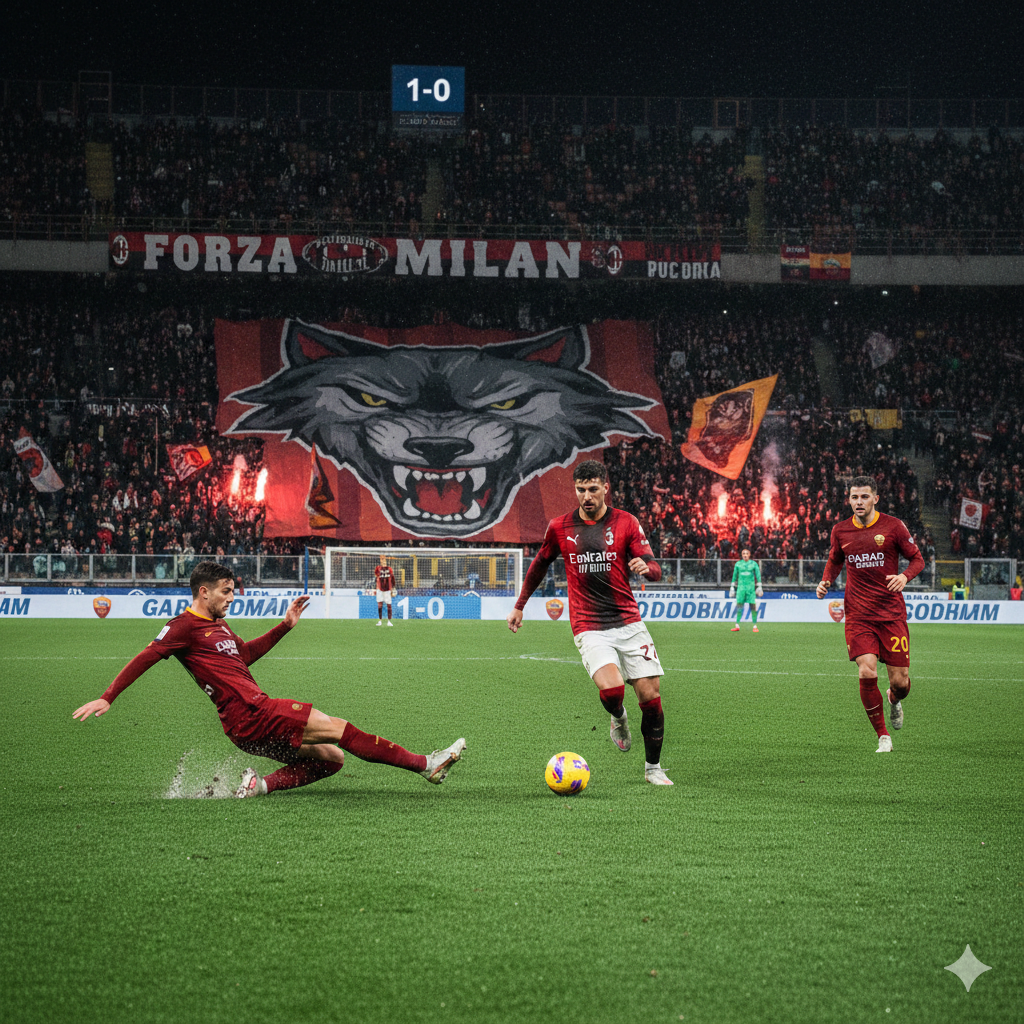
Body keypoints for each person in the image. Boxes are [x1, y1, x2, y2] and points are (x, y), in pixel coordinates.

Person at [73, 561, 465, 796]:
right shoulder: (183, 626)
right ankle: (424, 764)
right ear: (203, 592)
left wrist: (285, 626)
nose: (231, 598)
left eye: (233, 592)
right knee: (338, 728)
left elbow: (244, 657)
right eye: (225, 592)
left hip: (243, 727)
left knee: (332, 759)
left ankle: (259, 786)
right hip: (251, 712)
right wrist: (109, 696)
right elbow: (148, 655)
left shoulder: (219, 627)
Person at [506, 460, 672, 785]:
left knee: (651, 697)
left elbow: (654, 568)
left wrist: (647, 569)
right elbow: (540, 564)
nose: (586, 496)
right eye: (580, 490)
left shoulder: (626, 522)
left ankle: (653, 768)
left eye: (593, 489)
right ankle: (618, 717)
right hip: (589, 624)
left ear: (605, 488)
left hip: (628, 621)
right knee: (612, 691)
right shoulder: (560, 527)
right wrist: (519, 605)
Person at [816, 477, 925, 754]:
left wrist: (904, 577)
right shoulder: (841, 530)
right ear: (849, 500)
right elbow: (835, 559)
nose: (859, 502)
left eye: (864, 497)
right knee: (866, 670)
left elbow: (918, 559)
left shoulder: (893, 526)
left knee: (900, 683)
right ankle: (883, 736)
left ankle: (894, 699)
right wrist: (826, 580)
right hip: (859, 615)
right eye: (854, 497)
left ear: (875, 499)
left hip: (891, 615)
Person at [729, 548, 763, 632]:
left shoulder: (753, 564)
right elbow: (734, 575)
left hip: (750, 589)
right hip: (741, 588)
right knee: (739, 606)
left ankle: (755, 626)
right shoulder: (738, 564)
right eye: (743, 553)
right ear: (741, 555)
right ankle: (737, 625)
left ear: (749, 555)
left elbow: (758, 575)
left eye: (746, 553)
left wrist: (759, 586)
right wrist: (732, 587)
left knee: (753, 606)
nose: (745, 555)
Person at [374, 553, 397, 626]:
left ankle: (389, 621)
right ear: (380, 560)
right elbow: (376, 577)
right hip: (380, 589)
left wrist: (393, 588)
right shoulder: (378, 568)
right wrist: (376, 587)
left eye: (384, 559)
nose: (383, 560)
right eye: (381, 559)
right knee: (379, 605)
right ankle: (380, 620)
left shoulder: (389, 569)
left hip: (387, 589)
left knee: (389, 605)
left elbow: (392, 578)